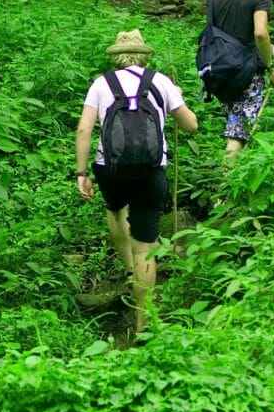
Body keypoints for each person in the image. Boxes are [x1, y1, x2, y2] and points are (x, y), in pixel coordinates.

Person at [75, 30, 198, 335]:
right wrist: (176, 96)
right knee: (146, 246)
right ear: (145, 55)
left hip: (110, 169)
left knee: (115, 208)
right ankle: (145, 322)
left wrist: (81, 173)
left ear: (115, 57)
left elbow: (84, 130)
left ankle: (129, 270)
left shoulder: (101, 84)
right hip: (151, 170)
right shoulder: (160, 82)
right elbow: (191, 125)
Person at [205, 0, 274, 156]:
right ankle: (226, 176)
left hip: (219, 70)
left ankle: (231, 172)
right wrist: (270, 66)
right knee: (237, 132)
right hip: (246, 71)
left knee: (234, 121)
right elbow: (260, 33)